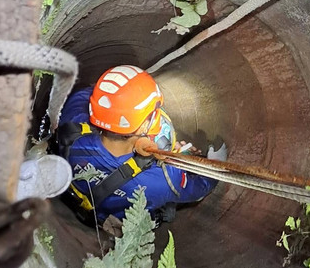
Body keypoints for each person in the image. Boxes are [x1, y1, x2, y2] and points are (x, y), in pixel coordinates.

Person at [54, 65, 225, 226]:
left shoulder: (73, 117)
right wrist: (208, 164)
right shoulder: (164, 180)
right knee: (167, 207)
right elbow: (198, 189)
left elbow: (93, 95)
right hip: (114, 220)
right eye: (154, 111)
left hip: (74, 193)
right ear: (143, 127)